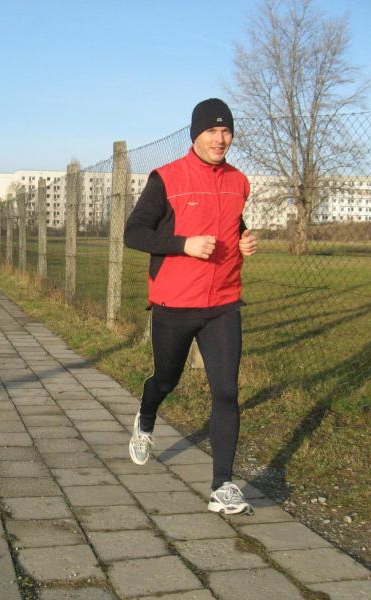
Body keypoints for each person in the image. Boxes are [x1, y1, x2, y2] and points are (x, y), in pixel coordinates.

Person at [123, 98, 259, 516]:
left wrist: (244, 239)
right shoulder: (166, 178)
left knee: (226, 391)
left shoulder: (239, 181)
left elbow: (232, 221)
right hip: (175, 302)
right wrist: (183, 245)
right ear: (196, 134)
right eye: (212, 131)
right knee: (166, 380)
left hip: (223, 303)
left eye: (226, 131)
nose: (220, 139)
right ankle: (146, 417)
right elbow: (134, 233)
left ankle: (223, 485)